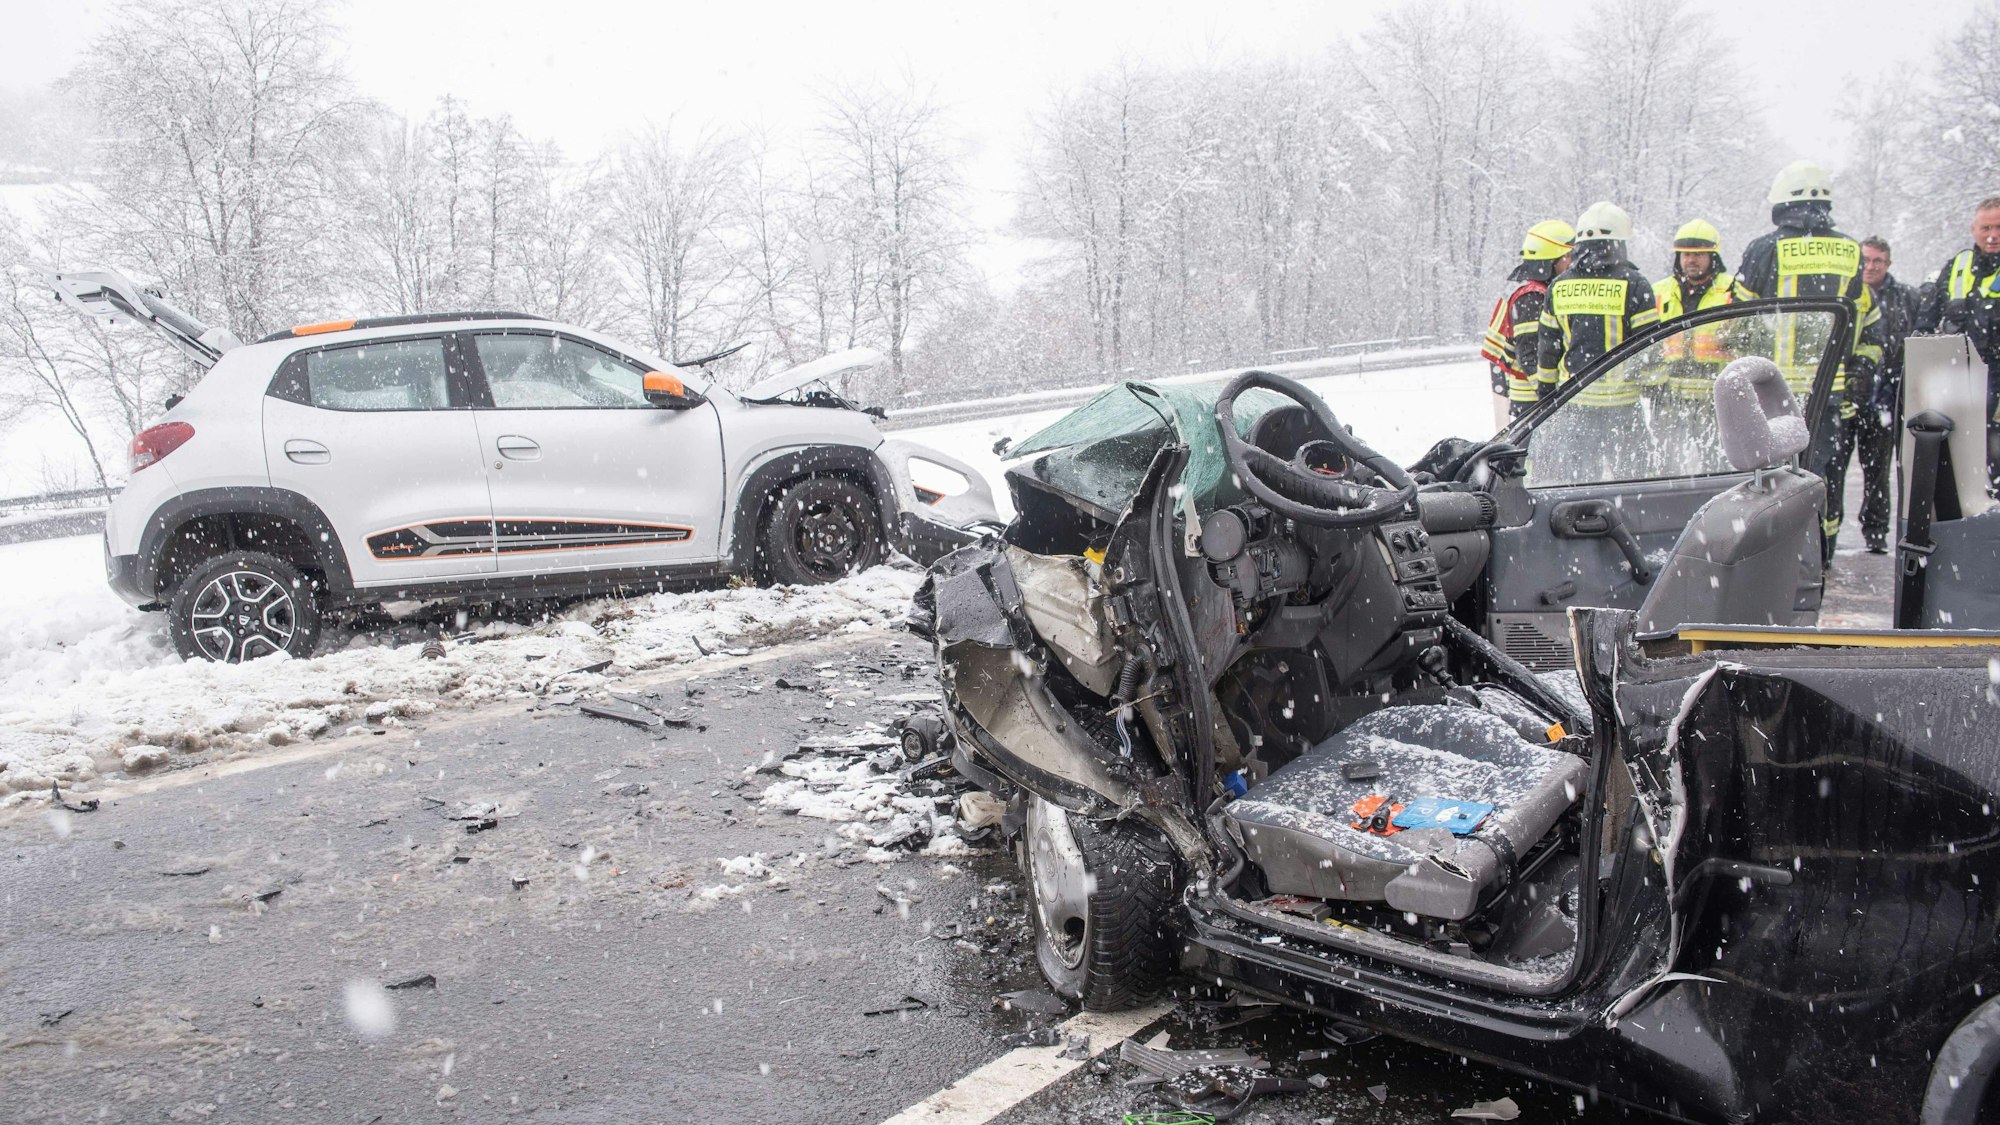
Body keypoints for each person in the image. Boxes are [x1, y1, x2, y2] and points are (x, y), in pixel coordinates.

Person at [1732, 160, 1885, 564]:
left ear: (1782, 203)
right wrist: (1860, 372)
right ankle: (1820, 557)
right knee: (1824, 477)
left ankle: (1778, 560)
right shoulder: (1850, 251)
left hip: (1774, 393)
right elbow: (1867, 321)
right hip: (1829, 393)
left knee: (1771, 480)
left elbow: (1739, 323)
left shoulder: (1764, 249)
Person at [1535, 202, 1658, 480]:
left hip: (1575, 405)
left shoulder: (1559, 286)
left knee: (1578, 484)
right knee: (1634, 482)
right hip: (1622, 407)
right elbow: (1649, 347)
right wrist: (1654, 388)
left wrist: (1546, 394)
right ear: (1618, 243)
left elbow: (1547, 349)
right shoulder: (1635, 284)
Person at [1915, 195, 2000, 490]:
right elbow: (1925, 322)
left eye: (1999, 227)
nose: (1993, 235)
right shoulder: (1957, 266)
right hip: (1963, 378)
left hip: (1997, 379)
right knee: (1962, 458)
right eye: (1986, 227)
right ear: (1973, 228)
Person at [1854, 236, 1922, 553]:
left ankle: (1877, 532)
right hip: (1850, 392)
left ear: (1888, 263)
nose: (1870, 266)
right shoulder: (1849, 293)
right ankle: (1828, 531)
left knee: (1878, 469)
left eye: (1877, 260)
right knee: (1833, 468)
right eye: (1865, 259)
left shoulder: (1907, 297)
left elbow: (1917, 341)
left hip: (1886, 397)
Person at [1482, 220, 1574, 420]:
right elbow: (1530, 356)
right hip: (1533, 403)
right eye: (1567, 256)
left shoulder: (1534, 291)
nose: (1571, 263)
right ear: (1550, 262)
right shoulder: (1531, 298)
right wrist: (1549, 396)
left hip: (1532, 401)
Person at [1653, 218, 1735, 406]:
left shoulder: (1732, 291)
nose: (1691, 260)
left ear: (1713, 257)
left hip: (1716, 399)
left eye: (1698, 255)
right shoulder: (1659, 292)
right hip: (1670, 399)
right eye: (1686, 254)